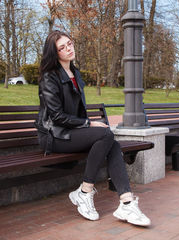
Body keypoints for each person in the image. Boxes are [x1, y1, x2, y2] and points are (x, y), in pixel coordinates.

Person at [35, 30, 151, 227]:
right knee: (106, 134)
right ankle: (85, 191)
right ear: (55, 54)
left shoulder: (75, 73)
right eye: (62, 48)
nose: (68, 49)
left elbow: (77, 111)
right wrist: (89, 124)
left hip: (70, 132)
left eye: (69, 44)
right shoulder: (49, 77)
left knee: (111, 142)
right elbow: (56, 116)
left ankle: (127, 202)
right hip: (53, 135)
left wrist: (87, 126)